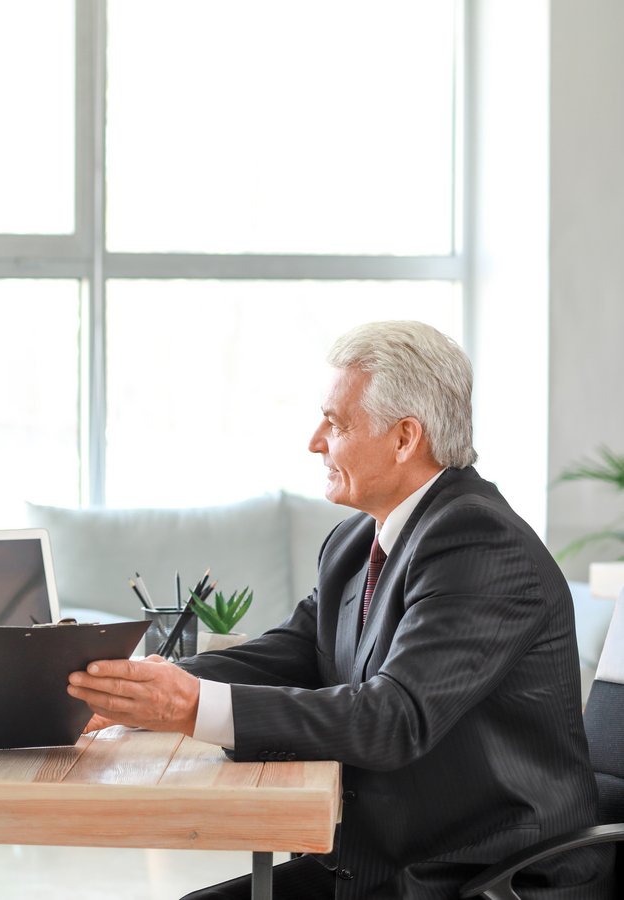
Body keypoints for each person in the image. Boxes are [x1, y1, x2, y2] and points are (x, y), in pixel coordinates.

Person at [66, 321, 613, 899]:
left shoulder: (479, 544)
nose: (315, 441)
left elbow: (391, 718)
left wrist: (190, 707)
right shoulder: (357, 541)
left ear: (405, 438)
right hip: (384, 859)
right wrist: (143, 687)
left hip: (479, 876)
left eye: (336, 423)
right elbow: (293, 652)